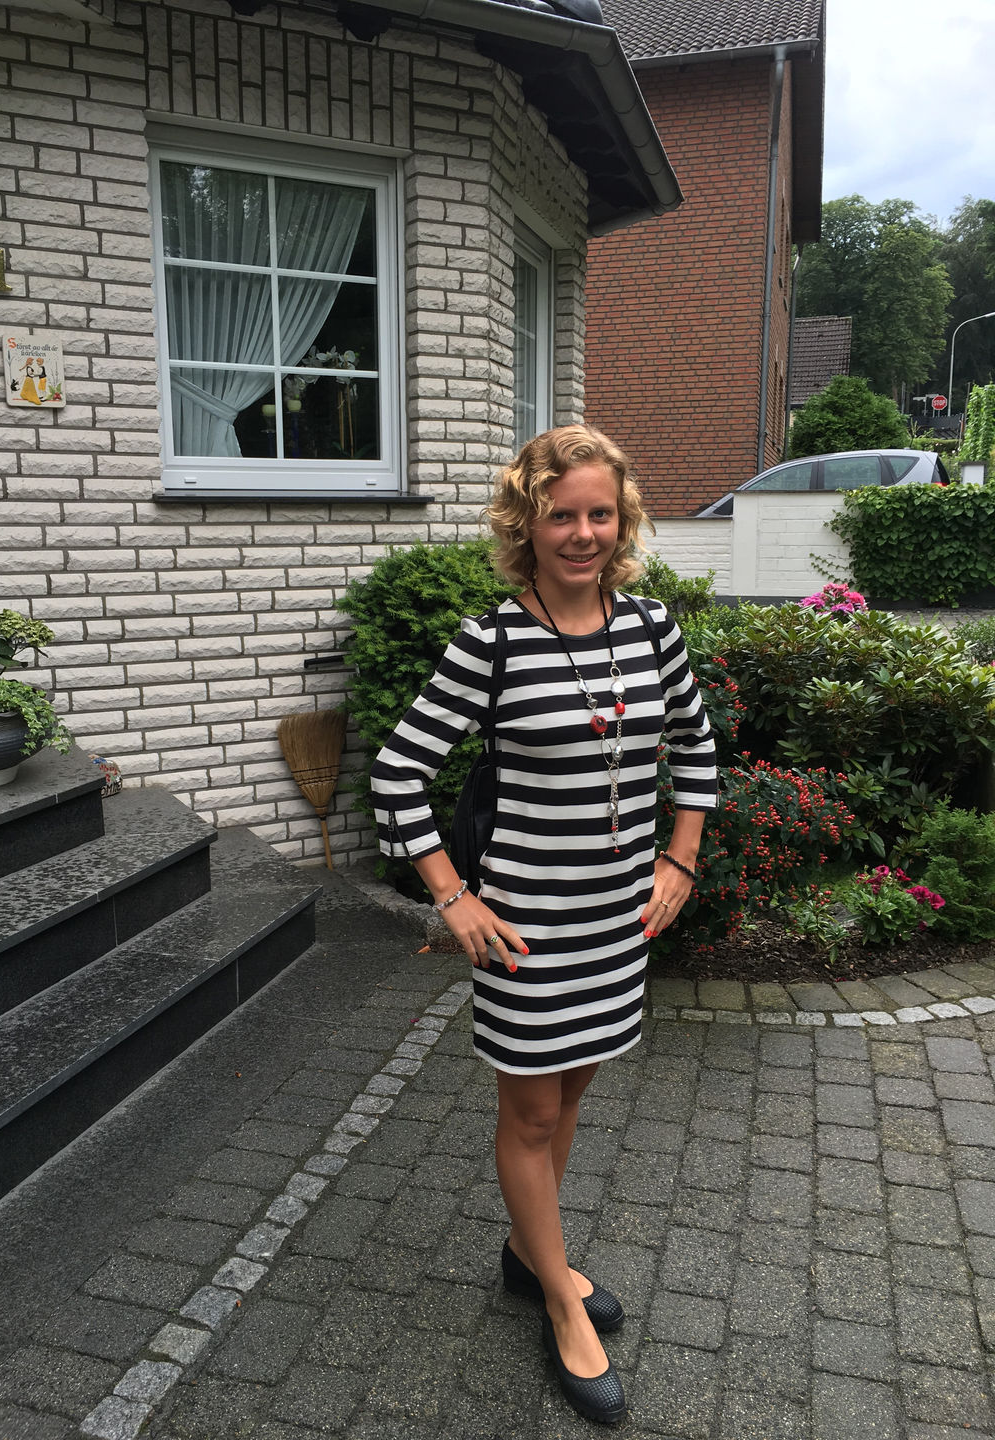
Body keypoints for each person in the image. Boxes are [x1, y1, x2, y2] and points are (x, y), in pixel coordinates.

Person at [370, 424, 717, 1424]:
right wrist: (453, 894)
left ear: (624, 519)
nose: (583, 533)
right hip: (525, 926)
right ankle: (560, 1302)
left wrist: (680, 856)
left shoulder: (652, 628)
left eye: (601, 513)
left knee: (568, 1097)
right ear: (526, 524)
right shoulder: (493, 642)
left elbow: (695, 746)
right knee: (528, 1115)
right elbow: (397, 772)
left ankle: (533, 1254)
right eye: (561, 515)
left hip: (617, 921)